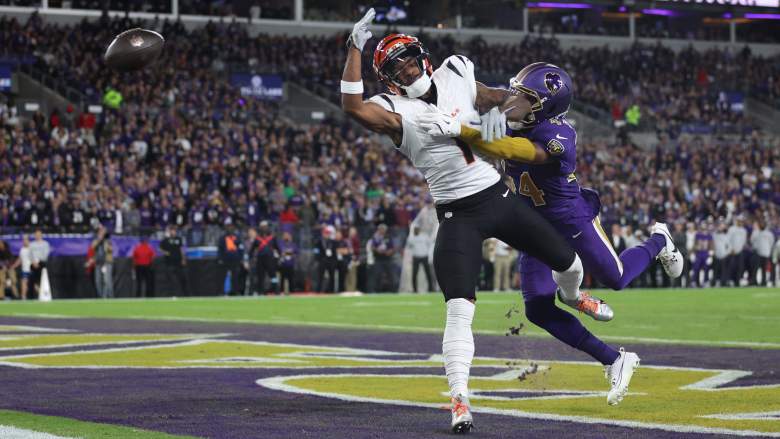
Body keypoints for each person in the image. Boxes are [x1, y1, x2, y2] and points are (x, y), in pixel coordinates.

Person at [342, 11, 599, 432]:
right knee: (459, 310)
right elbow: (353, 106)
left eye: (409, 59)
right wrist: (354, 48)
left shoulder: (456, 71)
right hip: (456, 214)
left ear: (422, 56)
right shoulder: (396, 110)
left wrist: (529, 115)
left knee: (569, 261)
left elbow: (497, 97)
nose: (407, 69)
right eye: (396, 67)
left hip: (497, 197)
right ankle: (460, 399)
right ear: (389, 79)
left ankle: (573, 297)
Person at [249, 221, 280, 295]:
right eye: (263, 227)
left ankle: (275, 290)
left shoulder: (272, 238)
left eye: (265, 227)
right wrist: (250, 258)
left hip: (270, 259)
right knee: (260, 276)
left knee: (273, 276)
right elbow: (252, 250)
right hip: (260, 259)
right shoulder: (257, 239)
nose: (264, 228)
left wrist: (278, 258)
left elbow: (278, 248)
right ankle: (260, 291)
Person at [217, 224, 244, 296]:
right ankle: (221, 291)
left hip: (235, 259)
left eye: (231, 227)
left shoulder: (237, 237)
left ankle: (234, 291)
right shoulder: (223, 238)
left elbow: (241, 248)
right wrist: (220, 258)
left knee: (235, 276)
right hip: (225, 259)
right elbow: (220, 249)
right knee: (222, 276)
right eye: (228, 227)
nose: (230, 229)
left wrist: (240, 258)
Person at [160, 225, 187, 296]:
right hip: (169, 262)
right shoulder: (166, 240)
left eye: (174, 231)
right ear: (169, 231)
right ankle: (172, 294)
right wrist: (165, 252)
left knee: (182, 278)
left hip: (178, 262)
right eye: (172, 230)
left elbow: (181, 249)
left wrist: (183, 259)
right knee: (171, 279)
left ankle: (183, 294)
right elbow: (160, 248)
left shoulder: (179, 239)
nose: (173, 232)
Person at [406, 226, 433, 293]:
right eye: (415, 230)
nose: (416, 231)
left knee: (428, 273)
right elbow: (409, 247)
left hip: (424, 256)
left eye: (417, 229)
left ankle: (431, 288)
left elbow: (430, 244)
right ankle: (415, 290)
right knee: (414, 274)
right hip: (416, 257)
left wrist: (428, 253)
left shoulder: (424, 236)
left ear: (419, 230)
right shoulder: (411, 238)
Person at [91, 226, 114, 298]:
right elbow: (92, 247)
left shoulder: (108, 240)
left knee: (107, 281)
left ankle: (110, 297)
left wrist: (106, 244)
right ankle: (101, 297)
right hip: (98, 263)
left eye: (103, 232)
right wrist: (99, 239)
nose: (102, 233)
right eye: (101, 232)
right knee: (98, 281)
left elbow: (111, 250)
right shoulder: (96, 240)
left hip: (106, 262)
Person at [751, 221, 775, 286]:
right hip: (758, 253)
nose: (762, 225)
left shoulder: (769, 234)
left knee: (764, 269)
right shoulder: (756, 232)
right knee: (755, 269)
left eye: (763, 224)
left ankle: (763, 282)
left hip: (766, 253)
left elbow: (771, 242)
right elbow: (752, 241)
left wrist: (769, 250)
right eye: (761, 224)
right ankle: (754, 282)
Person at [29, 230, 51, 298]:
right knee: (33, 279)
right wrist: (34, 262)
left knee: (41, 278)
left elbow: (46, 255)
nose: (37, 236)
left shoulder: (45, 244)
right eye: (36, 234)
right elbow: (30, 254)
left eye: (39, 234)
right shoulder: (32, 244)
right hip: (33, 264)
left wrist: (38, 261)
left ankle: (42, 293)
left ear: (41, 235)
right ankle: (35, 293)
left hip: (42, 264)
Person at [713, 222, 732, 287]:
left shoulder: (726, 236)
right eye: (720, 226)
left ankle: (723, 283)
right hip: (716, 255)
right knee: (715, 271)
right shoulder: (714, 235)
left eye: (722, 226)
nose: (720, 228)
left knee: (724, 271)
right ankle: (714, 282)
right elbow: (712, 245)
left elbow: (729, 246)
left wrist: (726, 253)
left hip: (724, 256)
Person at [17, 235, 32, 300]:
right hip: (25, 269)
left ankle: (43, 294)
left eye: (26, 240)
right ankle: (23, 296)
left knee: (34, 284)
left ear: (29, 241)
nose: (25, 242)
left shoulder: (32, 248)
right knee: (23, 282)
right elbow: (19, 260)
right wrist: (13, 266)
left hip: (32, 269)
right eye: (24, 240)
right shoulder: (22, 249)